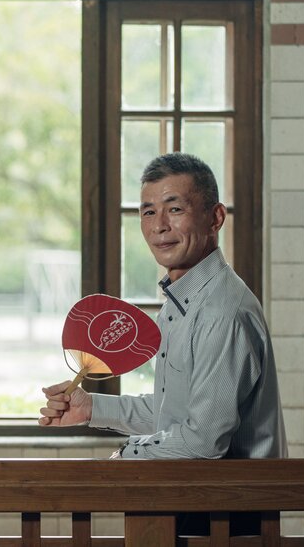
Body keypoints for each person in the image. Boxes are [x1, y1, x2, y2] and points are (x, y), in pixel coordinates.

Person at [38, 152, 286, 463]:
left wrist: (125, 456)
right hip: (187, 500)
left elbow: (203, 442)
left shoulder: (221, 312)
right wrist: (91, 408)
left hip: (224, 508)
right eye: (149, 212)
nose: (159, 226)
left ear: (216, 218)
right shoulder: (181, 302)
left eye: (175, 209)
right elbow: (175, 411)